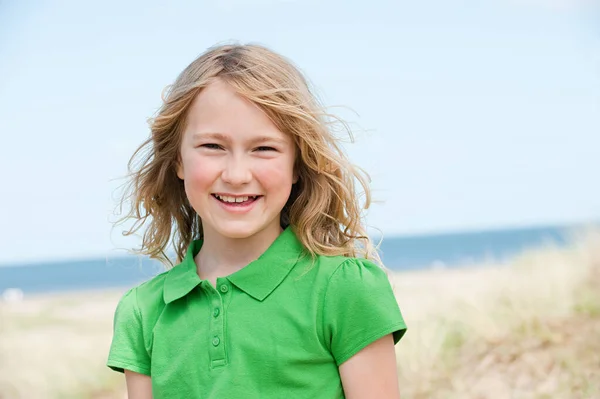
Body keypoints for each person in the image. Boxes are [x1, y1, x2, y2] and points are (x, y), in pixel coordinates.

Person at [107, 43, 407, 399]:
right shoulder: (142, 311)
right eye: (212, 147)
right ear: (178, 161)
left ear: (298, 163)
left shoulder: (345, 289)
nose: (236, 175)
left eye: (264, 148)